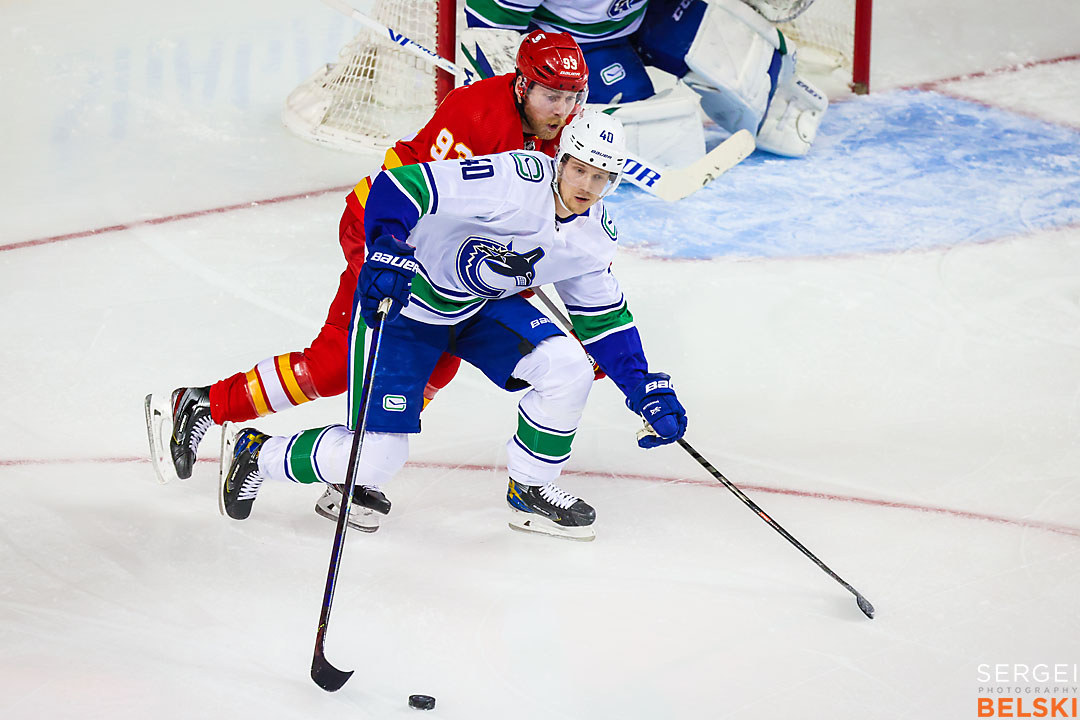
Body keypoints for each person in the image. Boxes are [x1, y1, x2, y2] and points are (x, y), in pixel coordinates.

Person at [145, 30, 590, 532]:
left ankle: (352, 472)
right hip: (386, 235)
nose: (562, 109)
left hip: (448, 264)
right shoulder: (479, 118)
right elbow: (431, 209)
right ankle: (203, 404)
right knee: (338, 361)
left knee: (437, 361)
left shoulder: (561, 134)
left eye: (573, 97)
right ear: (521, 86)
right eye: (552, 95)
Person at [219, 111, 688, 542]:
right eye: (580, 169)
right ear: (560, 159)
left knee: (569, 367)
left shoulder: (594, 236)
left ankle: (532, 491)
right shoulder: (510, 179)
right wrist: (386, 243)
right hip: (405, 307)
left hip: (478, 309)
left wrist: (642, 386)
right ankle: (258, 453)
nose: (587, 184)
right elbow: (398, 187)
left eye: (602, 176)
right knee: (379, 460)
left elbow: (604, 320)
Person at [461, 0, 829, 162]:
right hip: (575, 46)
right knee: (645, 134)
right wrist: (522, 109)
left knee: (749, 57)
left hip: (649, 11)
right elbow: (487, 34)